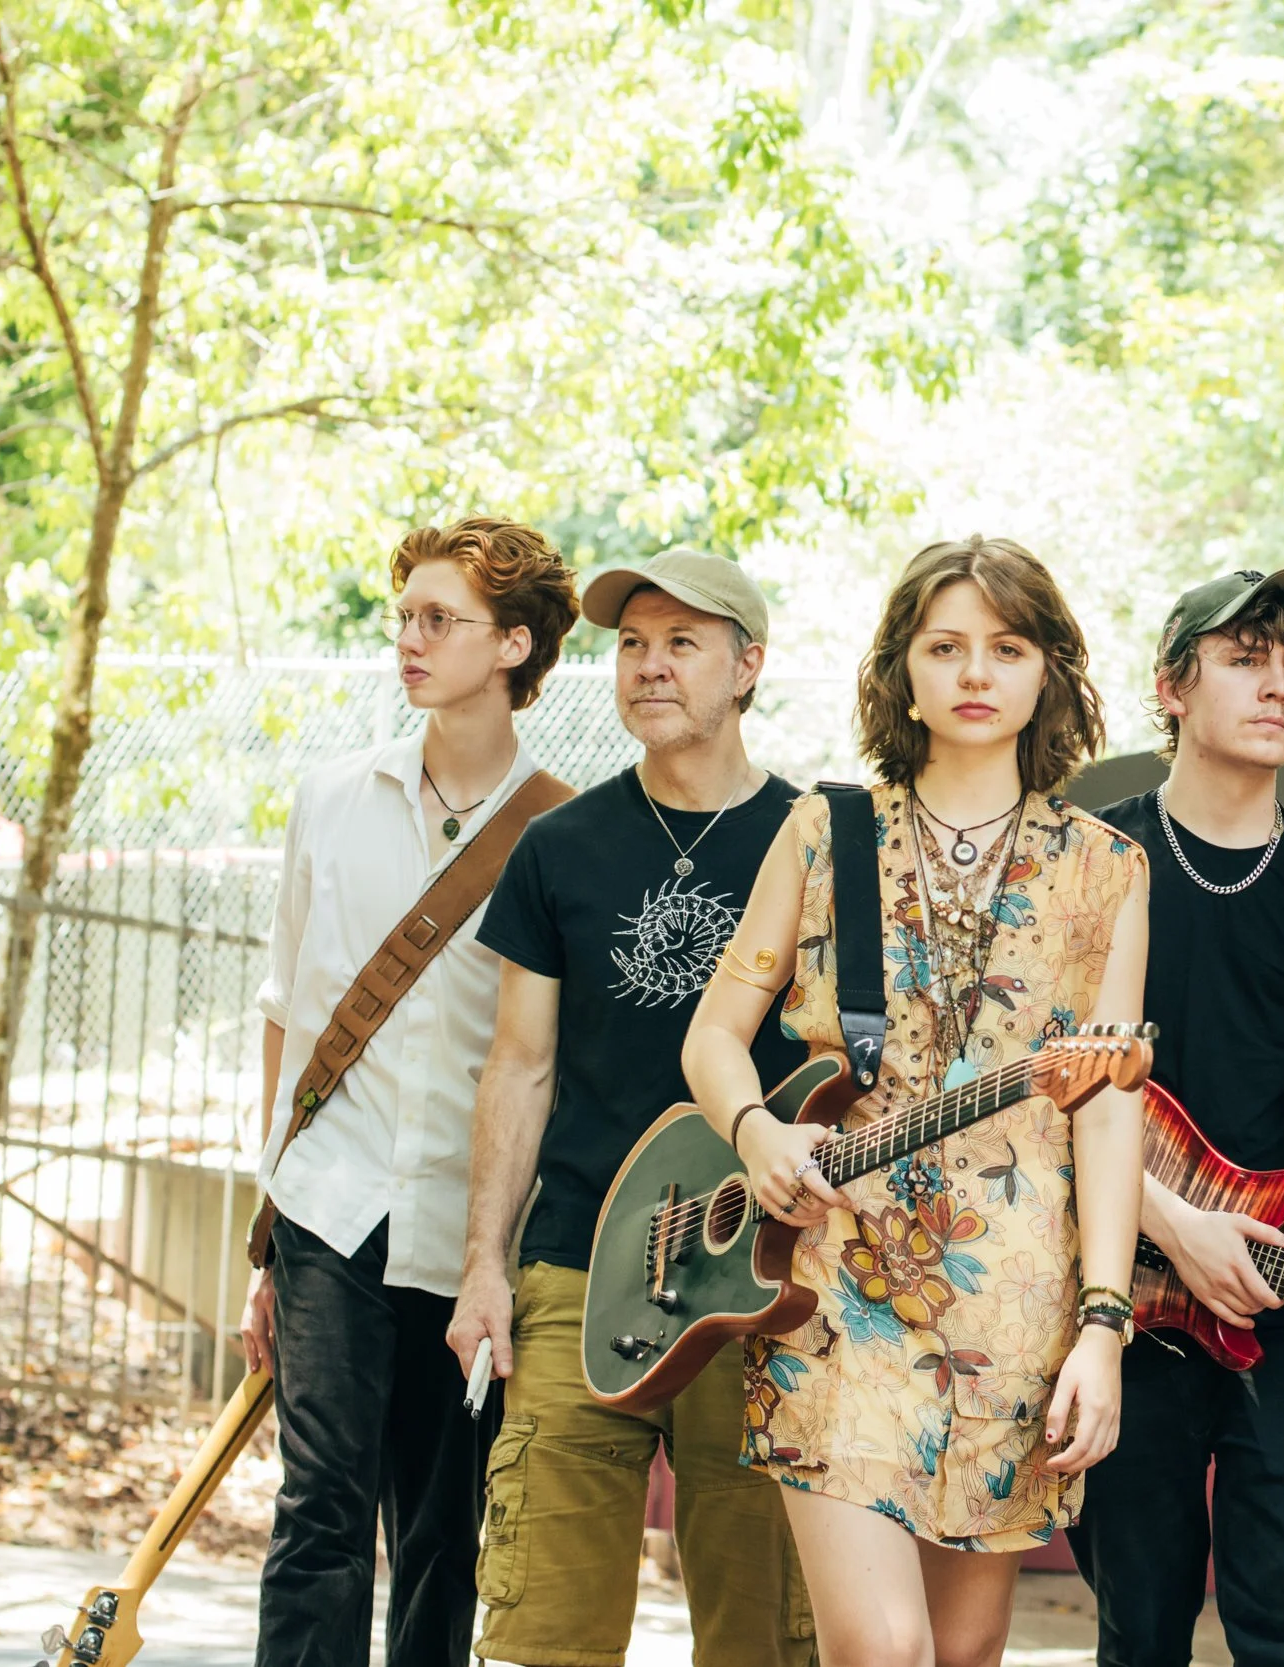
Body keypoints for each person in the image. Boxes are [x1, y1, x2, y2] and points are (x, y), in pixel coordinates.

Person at [681, 535, 1150, 1667]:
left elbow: (1105, 1109)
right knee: (883, 1645)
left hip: (1015, 1312)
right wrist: (755, 1129)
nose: (975, 671)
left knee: (963, 1649)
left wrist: (1102, 1326)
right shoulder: (824, 831)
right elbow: (712, 1034)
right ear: (901, 668)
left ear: (1050, 671)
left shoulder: (1107, 869)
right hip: (834, 1287)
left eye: (1007, 647)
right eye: (945, 647)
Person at [443, 550, 816, 1667]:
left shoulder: (822, 844)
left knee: (761, 1640)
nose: (650, 666)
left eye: (682, 643)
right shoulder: (559, 846)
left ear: (747, 666)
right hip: (577, 1266)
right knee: (543, 1635)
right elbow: (519, 1066)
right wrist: (484, 1265)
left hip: (762, 1275)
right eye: (633, 645)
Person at [242, 517, 579, 1667]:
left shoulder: (565, 835)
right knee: (317, 1510)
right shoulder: (332, 797)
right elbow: (286, 1010)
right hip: (330, 1204)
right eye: (404, 617)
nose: (410, 639)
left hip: (471, 1229)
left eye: (441, 619)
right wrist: (266, 1227)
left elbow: (547, 1061)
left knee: (441, 1534)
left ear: (514, 644)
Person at [1069, 568, 1284, 1667]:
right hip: (1124, 1291)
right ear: (1172, 685)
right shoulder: (1091, 858)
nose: (1279, 687)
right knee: (1139, 1629)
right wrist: (1172, 1224)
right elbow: (1049, 1091)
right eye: (1247, 661)